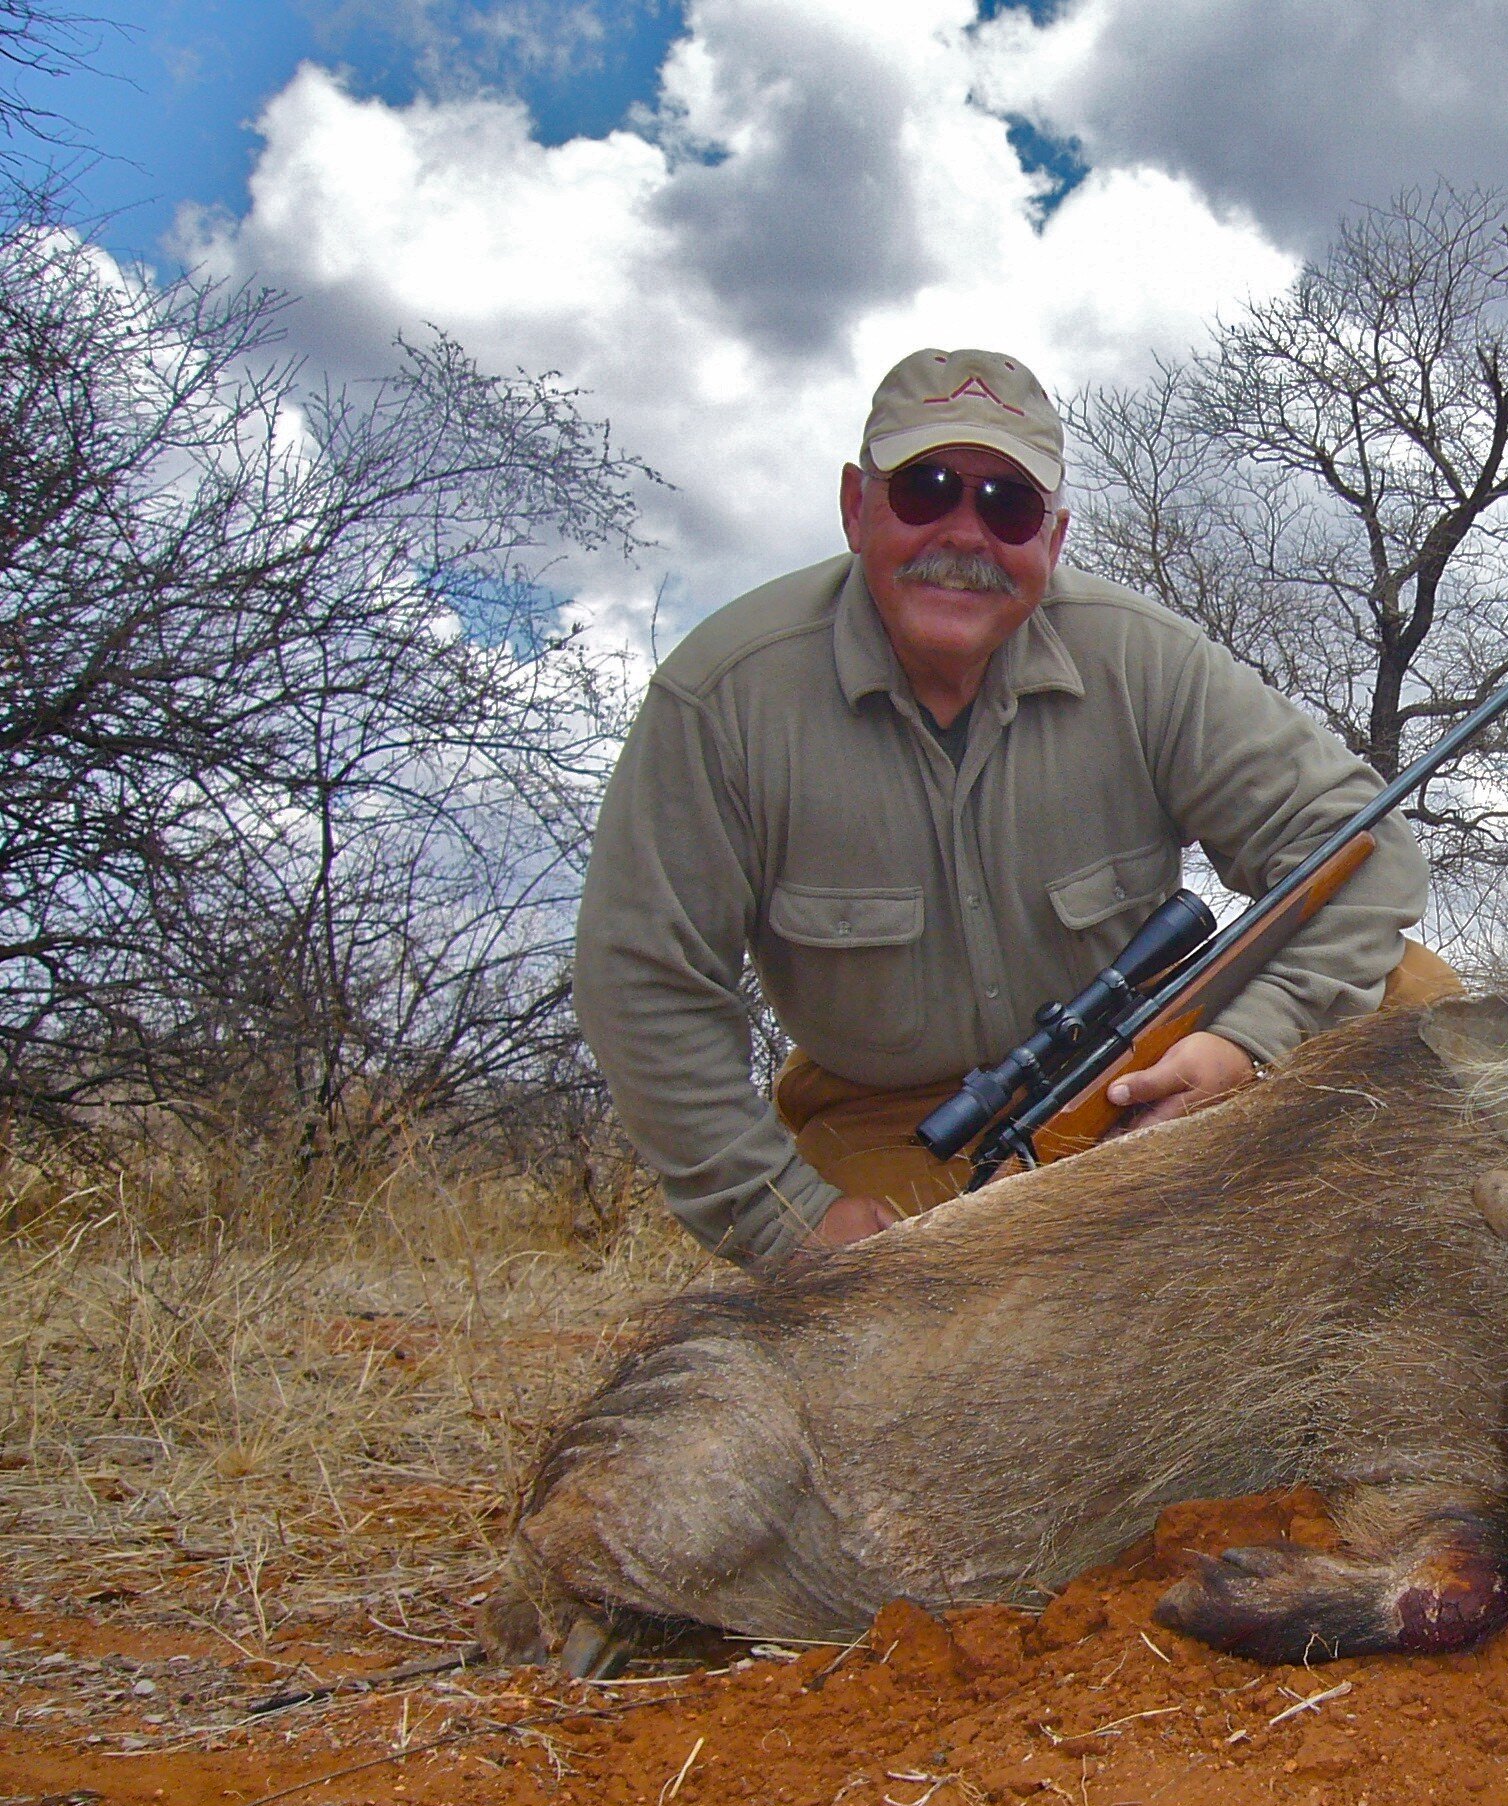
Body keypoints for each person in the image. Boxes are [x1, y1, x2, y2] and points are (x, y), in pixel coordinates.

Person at [574, 348, 1449, 1261]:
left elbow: (1366, 848)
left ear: (1053, 540)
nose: (965, 535)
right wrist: (783, 1217)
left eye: (1008, 506)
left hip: (1149, 1055)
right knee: (902, 1322)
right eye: (926, 490)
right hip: (903, 1121)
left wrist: (1247, 1045)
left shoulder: (1145, 657)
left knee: (1416, 996)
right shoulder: (723, 696)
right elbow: (642, 980)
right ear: (853, 507)